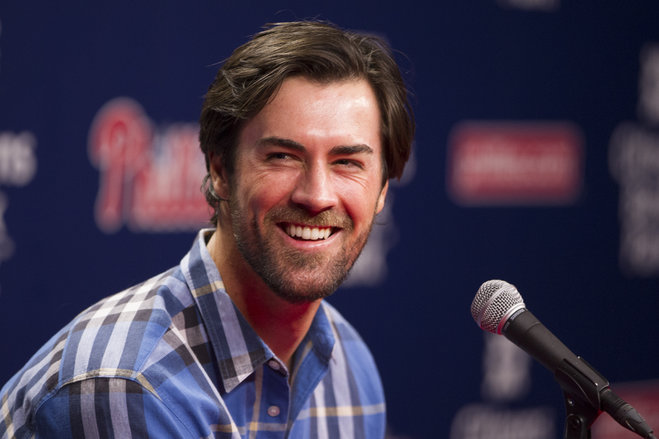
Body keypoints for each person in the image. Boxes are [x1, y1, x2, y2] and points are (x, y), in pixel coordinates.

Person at [0, 20, 414, 438]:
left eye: (347, 162)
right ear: (220, 170)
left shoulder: (352, 368)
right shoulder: (127, 384)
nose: (317, 195)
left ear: (382, 188)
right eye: (282, 156)